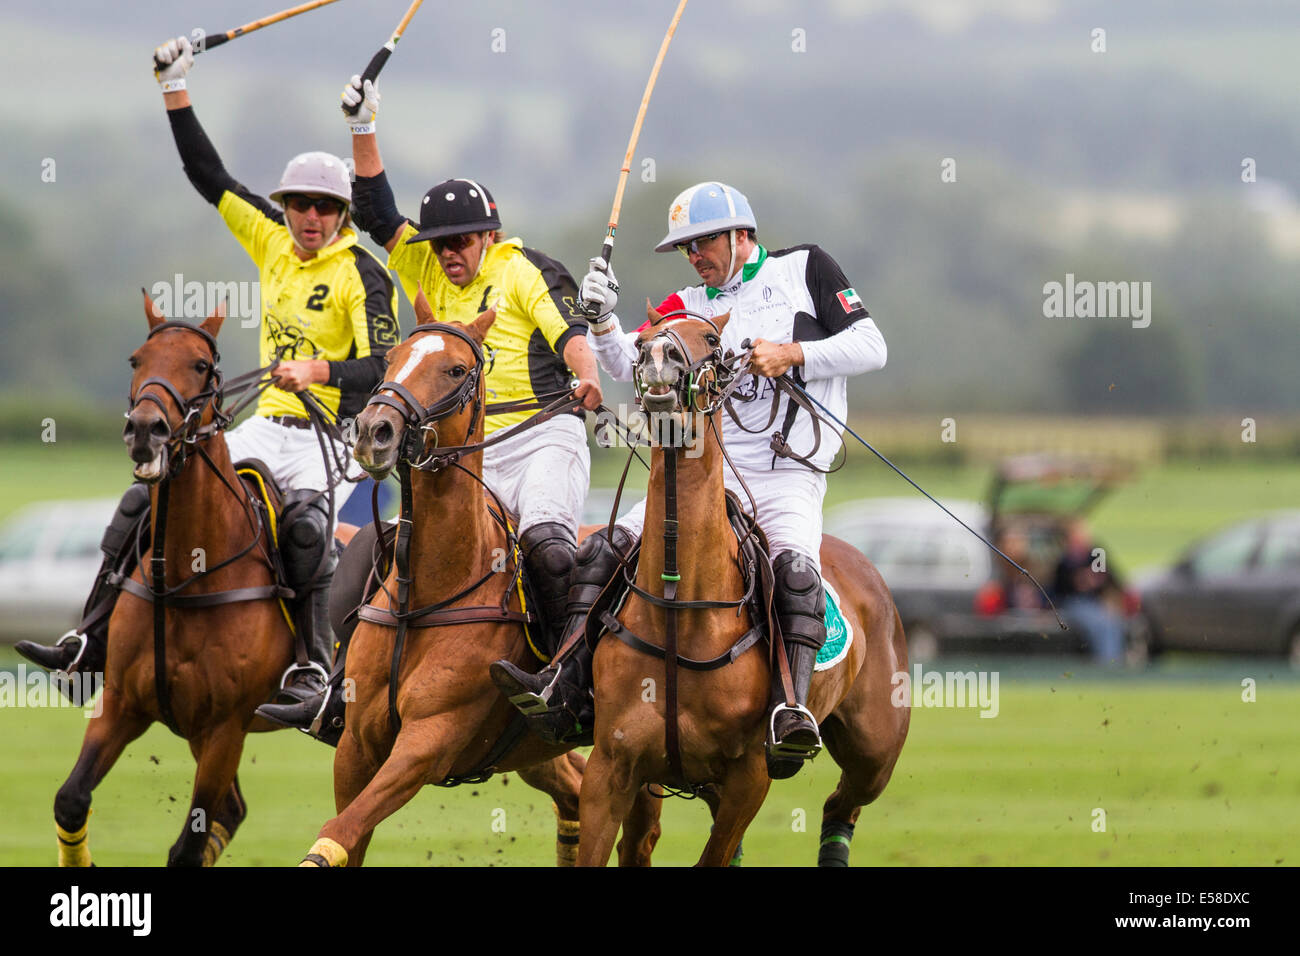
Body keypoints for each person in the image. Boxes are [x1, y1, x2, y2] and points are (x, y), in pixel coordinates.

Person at [18, 37, 399, 719]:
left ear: (343, 214)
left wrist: (322, 369)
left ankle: (312, 667)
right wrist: (175, 89)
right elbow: (207, 173)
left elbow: (384, 369)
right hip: (260, 425)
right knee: (151, 496)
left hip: (328, 436)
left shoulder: (362, 272)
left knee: (308, 531)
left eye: (323, 207)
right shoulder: (271, 238)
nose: (308, 218)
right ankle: (92, 635)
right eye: (298, 205)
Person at [492, 182, 888, 778]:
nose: (694, 255)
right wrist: (600, 323)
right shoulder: (687, 303)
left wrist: (791, 354)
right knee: (604, 547)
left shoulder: (804, 267)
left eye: (702, 242)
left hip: (787, 473)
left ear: (741, 235)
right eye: (685, 247)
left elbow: (871, 345)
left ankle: (789, 708)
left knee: (796, 573)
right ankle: (565, 684)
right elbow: (633, 362)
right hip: (711, 472)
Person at [256, 76, 604, 738]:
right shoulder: (425, 266)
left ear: (489, 234)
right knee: (377, 547)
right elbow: (377, 210)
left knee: (548, 548)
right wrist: (363, 125)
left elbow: (573, 338)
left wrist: (588, 378)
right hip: (462, 450)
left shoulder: (525, 269)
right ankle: (340, 687)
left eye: (462, 241)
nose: (449, 255)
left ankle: (568, 683)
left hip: (542, 438)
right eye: (441, 243)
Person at [1052, 517, 1126, 665]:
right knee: (1098, 623)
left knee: (1112, 622)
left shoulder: (1096, 554)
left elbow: (1112, 581)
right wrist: (1080, 582)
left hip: (1097, 603)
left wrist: (1104, 592)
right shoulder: (1066, 560)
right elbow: (1060, 588)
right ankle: (1105, 663)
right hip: (1074, 603)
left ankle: (1114, 661)